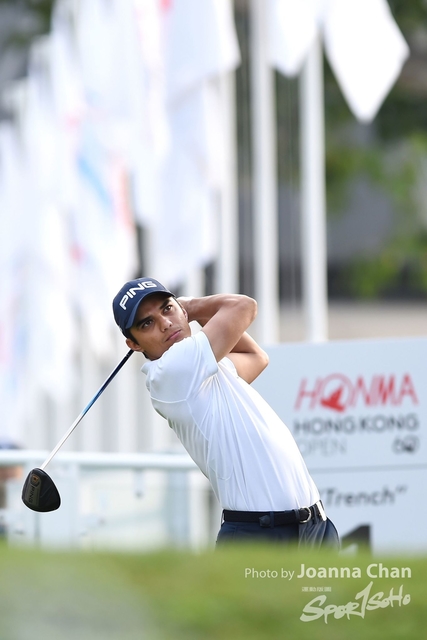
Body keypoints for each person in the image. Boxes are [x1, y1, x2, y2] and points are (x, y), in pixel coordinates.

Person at [112, 277, 339, 547]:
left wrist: (187, 313)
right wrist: (190, 308)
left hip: (314, 527)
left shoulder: (202, 369)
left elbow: (256, 357)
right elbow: (244, 307)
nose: (165, 323)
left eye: (167, 309)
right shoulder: (170, 371)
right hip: (259, 534)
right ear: (134, 344)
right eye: (146, 323)